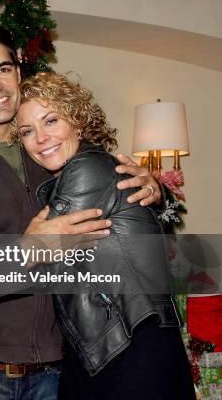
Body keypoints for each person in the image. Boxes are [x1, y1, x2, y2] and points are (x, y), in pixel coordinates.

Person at [0, 20, 163, 400]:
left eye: (4, 69)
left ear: (18, 73)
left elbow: (105, 248)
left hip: (52, 376)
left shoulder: (52, 155)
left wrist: (157, 193)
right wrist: (26, 252)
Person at [12, 72, 194, 400]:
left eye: (51, 120)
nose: (40, 138)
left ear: (78, 123)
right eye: (28, 131)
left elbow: (34, 255)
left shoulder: (87, 169)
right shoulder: (67, 177)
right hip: (111, 340)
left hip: (128, 345)